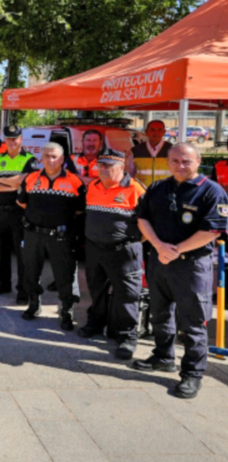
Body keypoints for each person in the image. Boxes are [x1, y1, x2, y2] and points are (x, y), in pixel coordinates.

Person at [133, 143, 228, 399]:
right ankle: (163, 357)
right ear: (168, 162)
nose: (180, 165)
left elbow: (213, 230)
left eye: (186, 161)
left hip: (191, 266)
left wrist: (175, 250)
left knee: (193, 322)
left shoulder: (212, 191)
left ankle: (192, 374)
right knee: (160, 314)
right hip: (159, 261)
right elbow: (142, 218)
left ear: (198, 161)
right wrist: (158, 246)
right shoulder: (158, 188)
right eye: (175, 160)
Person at [77, 150, 146, 360]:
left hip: (123, 251)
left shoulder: (136, 189)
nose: (103, 169)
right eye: (101, 165)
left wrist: (132, 242)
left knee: (127, 295)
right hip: (95, 249)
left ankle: (127, 336)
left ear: (121, 167)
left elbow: (148, 224)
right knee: (96, 290)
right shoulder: (93, 186)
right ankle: (96, 324)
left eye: (108, 166)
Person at [17, 142, 86, 331]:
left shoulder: (74, 181)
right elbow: (22, 202)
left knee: (65, 275)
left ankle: (66, 310)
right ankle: (34, 304)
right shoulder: (31, 178)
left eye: (54, 156)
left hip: (61, 236)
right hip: (33, 234)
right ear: (42, 158)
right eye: (47, 156)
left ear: (62, 159)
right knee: (31, 271)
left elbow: (80, 209)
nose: (50, 160)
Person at [0, 125, 37, 304]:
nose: (12, 141)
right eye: (9, 138)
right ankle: (3, 283)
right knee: (2, 251)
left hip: (19, 213)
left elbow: (25, 182)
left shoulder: (30, 159)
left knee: (22, 254)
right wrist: (12, 183)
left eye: (15, 138)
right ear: (4, 140)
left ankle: (23, 289)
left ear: (21, 139)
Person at [128, 119, 173, 187]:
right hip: (142, 190)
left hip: (165, 190)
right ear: (146, 131)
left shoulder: (172, 150)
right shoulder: (136, 151)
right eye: (152, 129)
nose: (156, 132)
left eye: (160, 130)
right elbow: (131, 174)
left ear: (164, 132)